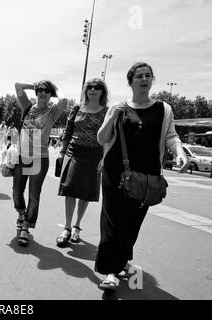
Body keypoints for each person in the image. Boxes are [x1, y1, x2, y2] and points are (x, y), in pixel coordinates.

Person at [94, 62, 188, 291]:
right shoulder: (118, 106)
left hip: (147, 177)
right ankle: (110, 271)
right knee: (113, 221)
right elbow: (102, 138)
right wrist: (112, 115)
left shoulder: (163, 109)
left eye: (148, 75)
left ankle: (122, 258)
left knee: (132, 223)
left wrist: (180, 152)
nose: (144, 79)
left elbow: (171, 136)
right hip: (115, 172)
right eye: (139, 76)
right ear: (131, 81)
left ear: (152, 80)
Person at [14, 80, 68, 247]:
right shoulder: (27, 106)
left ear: (50, 94)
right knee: (17, 192)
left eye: (47, 91)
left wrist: (53, 89)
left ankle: (26, 228)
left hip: (40, 157)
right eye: (40, 90)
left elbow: (64, 101)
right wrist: (34, 85)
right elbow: (17, 85)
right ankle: (22, 213)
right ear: (36, 93)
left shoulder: (52, 112)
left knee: (34, 195)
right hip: (22, 156)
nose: (43, 93)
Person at [56, 78, 109, 247]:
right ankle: (67, 227)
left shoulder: (107, 111)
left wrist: (104, 157)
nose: (93, 90)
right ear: (86, 90)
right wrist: (63, 151)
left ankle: (77, 226)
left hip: (94, 154)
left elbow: (109, 136)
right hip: (74, 152)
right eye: (90, 87)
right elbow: (68, 130)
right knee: (70, 188)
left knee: (85, 192)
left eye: (97, 87)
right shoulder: (77, 108)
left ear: (102, 91)